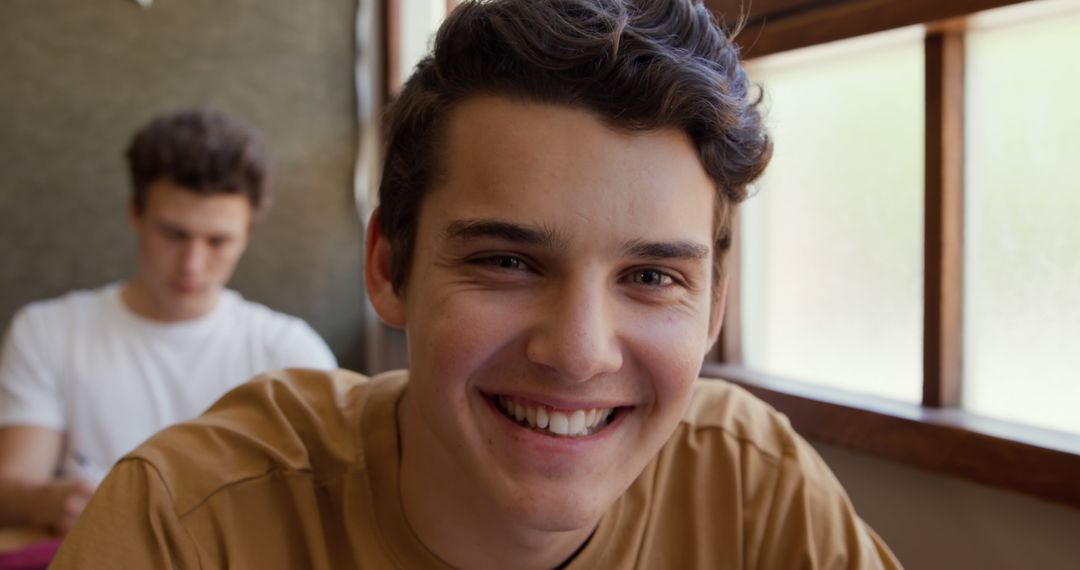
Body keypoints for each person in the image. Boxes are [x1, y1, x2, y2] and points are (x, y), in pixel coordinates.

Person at [52, 1, 901, 568]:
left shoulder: (750, 490)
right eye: (507, 262)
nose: (577, 353)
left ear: (713, 306)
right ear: (390, 267)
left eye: (650, 275)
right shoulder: (190, 528)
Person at [0, 109, 337, 536]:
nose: (192, 264)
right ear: (134, 214)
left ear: (248, 234)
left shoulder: (288, 351)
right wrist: (51, 501)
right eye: (173, 234)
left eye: (217, 241)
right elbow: (12, 484)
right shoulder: (47, 331)